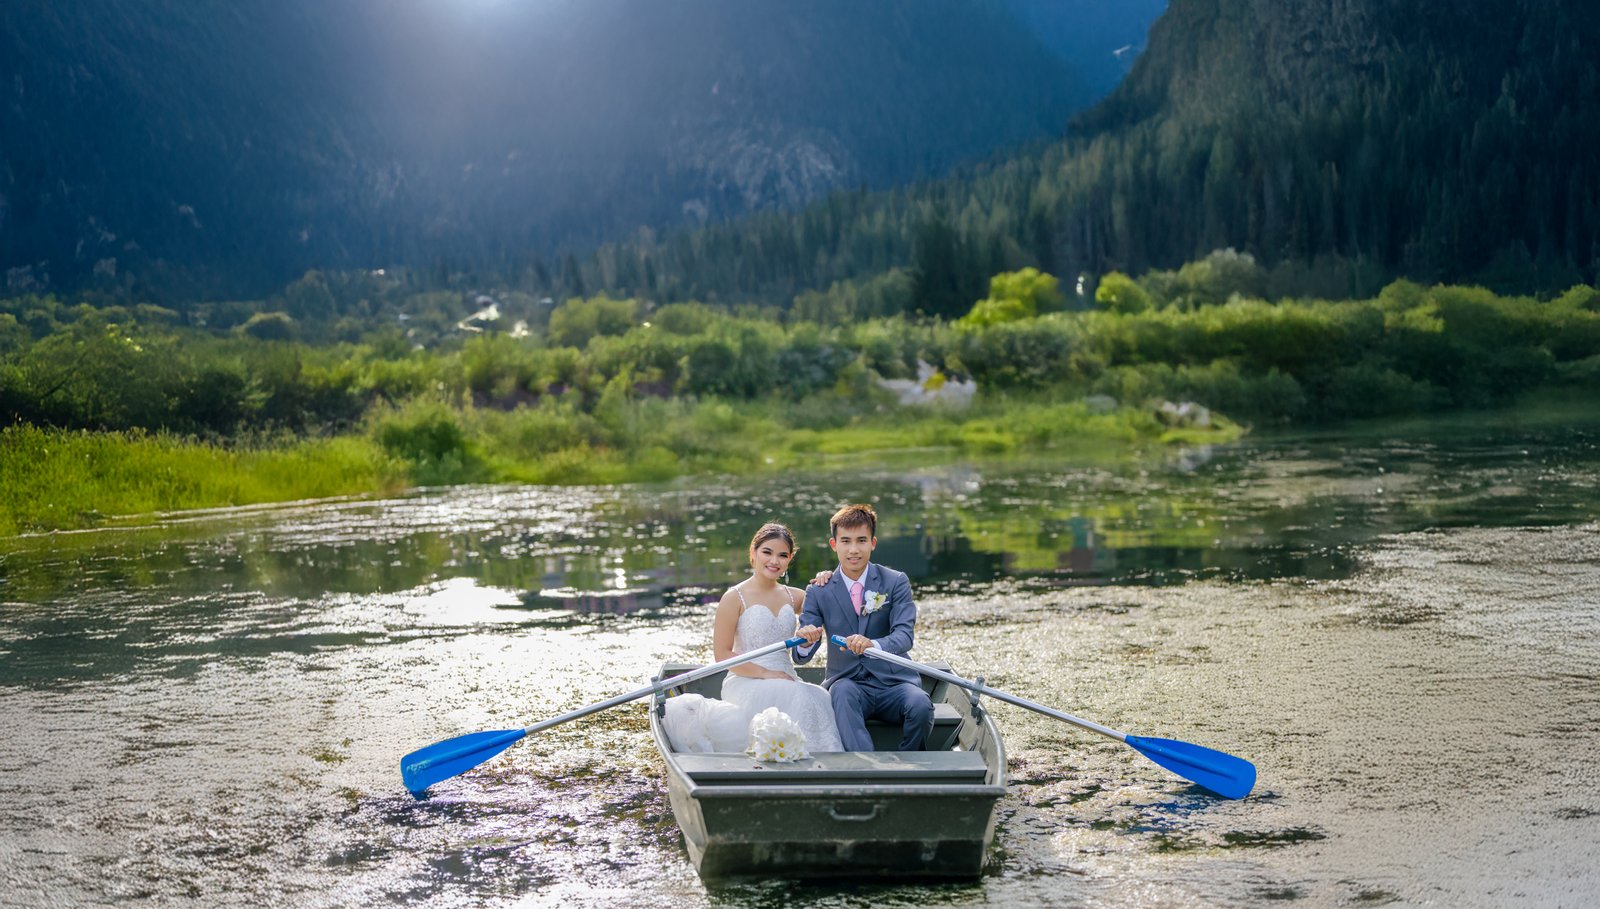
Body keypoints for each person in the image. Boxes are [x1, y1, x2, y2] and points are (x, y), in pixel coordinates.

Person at [794, 504, 934, 751]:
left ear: (873, 543)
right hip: (847, 683)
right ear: (834, 544)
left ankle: (909, 765)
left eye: (861, 540)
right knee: (842, 693)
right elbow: (802, 653)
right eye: (846, 541)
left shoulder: (895, 581)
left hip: (894, 683)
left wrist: (874, 645)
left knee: (921, 705)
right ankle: (867, 768)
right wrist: (805, 642)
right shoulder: (818, 590)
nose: (854, 549)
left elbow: (904, 636)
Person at [710, 522, 842, 753]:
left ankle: (825, 763)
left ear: (790, 559)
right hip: (747, 680)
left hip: (786, 677)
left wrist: (827, 578)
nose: (774, 561)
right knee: (799, 695)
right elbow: (722, 655)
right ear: (753, 552)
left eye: (782, 555)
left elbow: (831, 602)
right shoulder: (734, 597)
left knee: (820, 696)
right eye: (767, 552)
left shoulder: (795, 597)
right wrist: (765, 674)